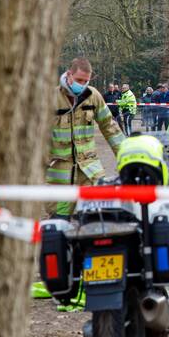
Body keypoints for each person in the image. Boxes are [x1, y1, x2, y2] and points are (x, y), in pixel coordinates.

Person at [47, 58, 125, 217]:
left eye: (85, 81)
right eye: (78, 80)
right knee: (59, 221)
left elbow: (109, 127)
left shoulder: (93, 96)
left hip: (90, 171)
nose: (81, 85)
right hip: (61, 175)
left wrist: (126, 156)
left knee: (98, 218)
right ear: (69, 75)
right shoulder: (51, 98)